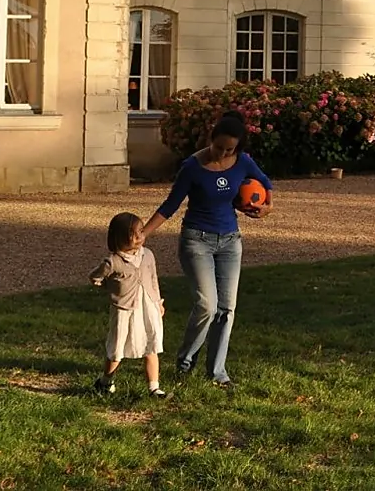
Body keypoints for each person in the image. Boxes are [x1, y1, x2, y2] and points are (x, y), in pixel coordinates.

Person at [141, 110, 272, 388]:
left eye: (229, 150)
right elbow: (170, 205)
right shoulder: (192, 167)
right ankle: (185, 362)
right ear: (210, 138)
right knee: (206, 306)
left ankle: (217, 373)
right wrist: (142, 233)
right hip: (196, 240)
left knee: (226, 308)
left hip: (230, 242)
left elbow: (266, 184)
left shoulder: (243, 162)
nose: (222, 154)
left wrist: (266, 207)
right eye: (219, 146)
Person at [90, 211, 166, 397]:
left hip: (147, 306)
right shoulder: (113, 262)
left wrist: (158, 302)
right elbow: (95, 277)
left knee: (151, 343)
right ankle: (105, 382)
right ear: (120, 237)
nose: (140, 236)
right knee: (117, 347)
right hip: (124, 309)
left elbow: (153, 279)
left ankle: (154, 388)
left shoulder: (148, 255)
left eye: (141, 231)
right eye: (134, 233)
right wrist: (111, 289)